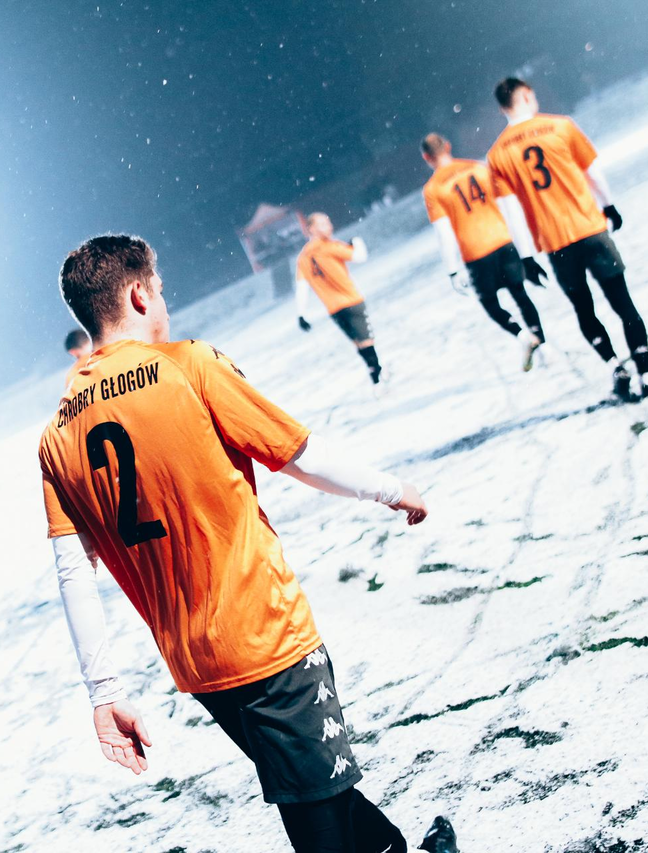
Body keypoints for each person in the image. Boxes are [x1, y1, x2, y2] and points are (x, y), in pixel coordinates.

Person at [38, 234, 458, 853]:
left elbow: (74, 573)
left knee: (318, 784)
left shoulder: (57, 432)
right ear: (139, 294)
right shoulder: (187, 365)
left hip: (198, 663)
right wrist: (392, 490)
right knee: (317, 812)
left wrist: (104, 694)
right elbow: (299, 455)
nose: (165, 304)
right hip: (266, 635)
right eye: (160, 291)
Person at [487, 77, 648, 401]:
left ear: (502, 108)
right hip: (590, 230)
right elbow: (593, 172)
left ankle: (614, 366)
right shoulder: (561, 126)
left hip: (556, 244)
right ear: (527, 96)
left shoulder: (498, 155)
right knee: (623, 304)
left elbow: (511, 212)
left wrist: (526, 257)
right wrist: (609, 205)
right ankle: (646, 375)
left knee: (584, 310)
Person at [420, 132, 547, 372]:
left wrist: (452, 270)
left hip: (476, 253)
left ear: (427, 157)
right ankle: (541, 344)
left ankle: (522, 335)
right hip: (502, 239)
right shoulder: (479, 167)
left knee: (490, 303)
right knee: (520, 294)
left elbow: (444, 233)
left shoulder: (433, 189)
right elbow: (505, 204)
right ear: (448, 146)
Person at [294, 213, 384, 388]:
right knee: (366, 341)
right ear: (311, 229)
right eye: (322, 224)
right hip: (352, 301)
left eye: (328, 222)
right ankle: (377, 376)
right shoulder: (329, 246)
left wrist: (301, 314)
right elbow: (360, 257)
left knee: (357, 343)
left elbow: (301, 286)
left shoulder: (303, 258)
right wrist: (357, 242)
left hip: (333, 309)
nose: (328, 226)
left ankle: (374, 372)